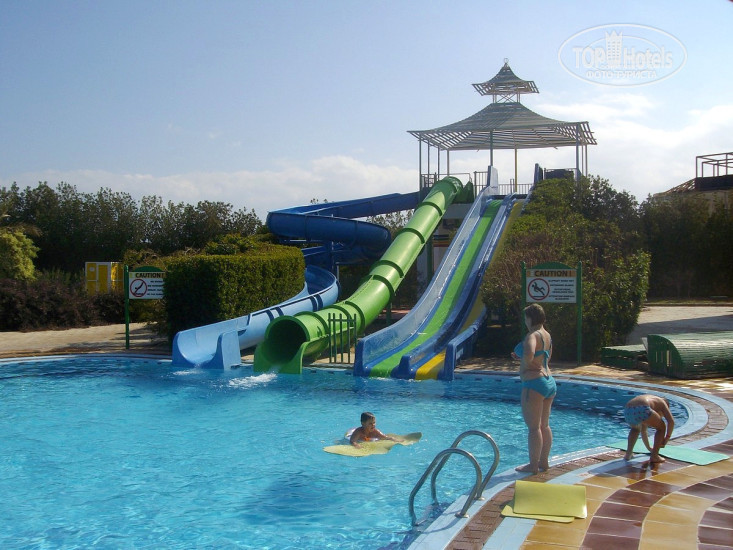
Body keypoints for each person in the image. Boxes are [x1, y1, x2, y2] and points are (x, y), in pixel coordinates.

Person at [511, 303, 556, 474]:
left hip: (534, 383)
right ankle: (544, 462)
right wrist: (527, 358)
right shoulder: (547, 335)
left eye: (525, 318)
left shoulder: (531, 336)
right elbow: (546, 357)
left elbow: (529, 354)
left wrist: (524, 360)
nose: (525, 321)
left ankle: (533, 465)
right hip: (549, 381)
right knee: (545, 425)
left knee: (534, 428)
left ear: (530, 319)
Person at [623, 394, 674, 463]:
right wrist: (667, 438)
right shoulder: (662, 402)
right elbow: (671, 421)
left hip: (627, 410)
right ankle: (655, 456)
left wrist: (649, 448)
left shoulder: (651, 401)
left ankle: (628, 454)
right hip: (643, 408)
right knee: (661, 428)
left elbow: (643, 431)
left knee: (635, 429)